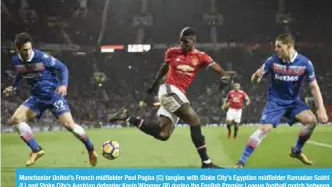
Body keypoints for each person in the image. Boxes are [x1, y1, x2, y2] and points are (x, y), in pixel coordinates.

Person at [109, 27, 233, 168]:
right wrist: (154, 84)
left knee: (163, 134)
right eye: (180, 41)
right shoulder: (172, 52)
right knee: (194, 119)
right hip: (168, 90)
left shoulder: (201, 57)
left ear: (193, 41)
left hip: (180, 94)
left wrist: (223, 77)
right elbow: (164, 68)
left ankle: (127, 117)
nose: (182, 44)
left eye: (185, 41)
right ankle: (206, 163)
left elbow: (217, 68)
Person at [2, 33, 98, 167]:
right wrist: (13, 87)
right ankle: (36, 149)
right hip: (37, 98)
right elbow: (20, 72)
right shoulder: (16, 60)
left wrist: (64, 84)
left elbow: (63, 67)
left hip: (54, 96)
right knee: (16, 119)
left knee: (70, 126)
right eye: (24, 50)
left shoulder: (42, 57)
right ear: (18, 49)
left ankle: (91, 149)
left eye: (29, 48)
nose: (28, 51)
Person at [235, 33, 328, 168]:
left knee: (311, 121)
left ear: (289, 46)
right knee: (264, 129)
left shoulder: (305, 63)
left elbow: (314, 86)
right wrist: (256, 76)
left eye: (279, 46)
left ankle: (296, 151)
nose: (276, 49)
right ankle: (241, 162)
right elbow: (254, 80)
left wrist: (321, 108)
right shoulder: (272, 61)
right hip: (275, 102)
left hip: (293, 103)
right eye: (275, 46)